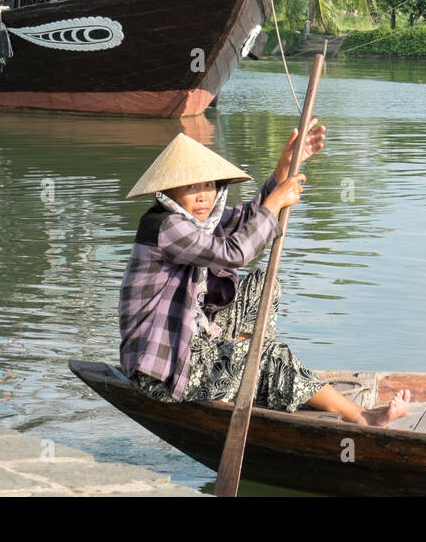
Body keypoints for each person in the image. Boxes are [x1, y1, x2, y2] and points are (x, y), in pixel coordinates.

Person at [119, 127, 410, 426]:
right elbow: (235, 252)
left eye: (208, 184)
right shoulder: (165, 226)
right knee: (268, 353)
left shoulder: (201, 222)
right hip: (162, 374)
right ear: (167, 192)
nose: (204, 195)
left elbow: (250, 217)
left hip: (195, 342)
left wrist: (283, 168)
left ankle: (251, 369)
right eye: (192, 187)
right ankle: (362, 416)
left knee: (262, 284)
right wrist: (275, 203)